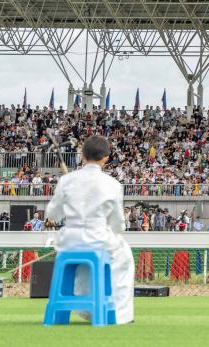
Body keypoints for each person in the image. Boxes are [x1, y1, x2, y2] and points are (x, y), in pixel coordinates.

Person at [45, 135, 134, 324]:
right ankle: (119, 314)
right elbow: (118, 224)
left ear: (82, 155)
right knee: (124, 255)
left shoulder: (67, 180)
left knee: (88, 262)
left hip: (69, 240)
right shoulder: (113, 184)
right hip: (98, 238)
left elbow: (52, 214)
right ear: (106, 158)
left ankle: (86, 307)